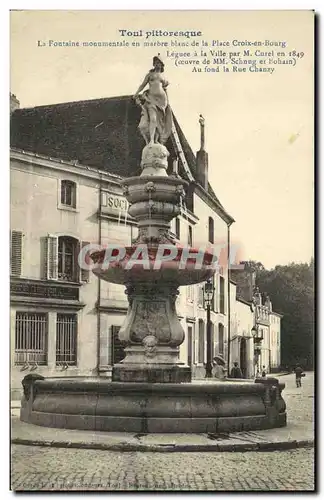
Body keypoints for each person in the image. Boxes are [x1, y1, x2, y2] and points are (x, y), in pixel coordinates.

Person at [133, 54, 173, 146]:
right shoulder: (150, 75)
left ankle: (156, 140)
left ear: (162, 65)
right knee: (153, 118)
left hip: (162, 102)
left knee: (160, 122)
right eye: (155, 63)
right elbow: (143, 85)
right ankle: (151, 140)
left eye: (158, 63)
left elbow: (165, 90)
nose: (156, 64)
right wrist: (136, 93)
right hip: (151, 99)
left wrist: (168, 104)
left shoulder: (163, 77)